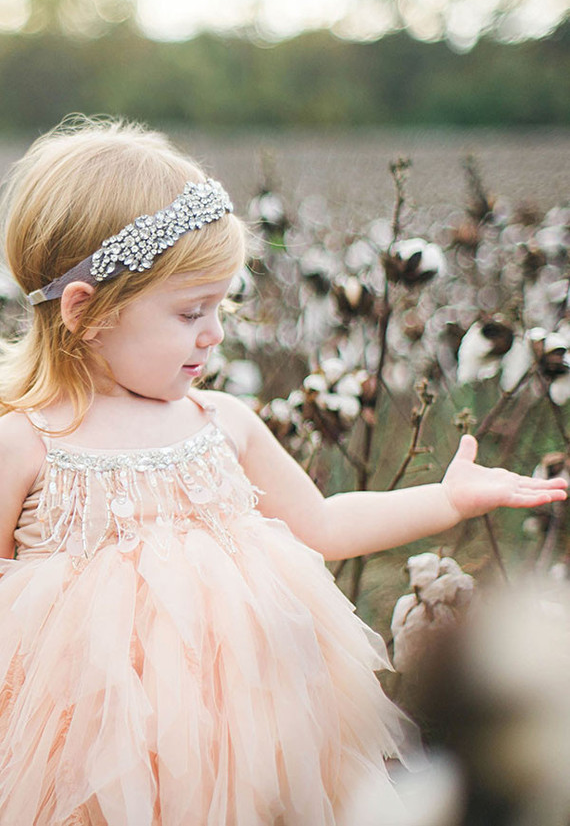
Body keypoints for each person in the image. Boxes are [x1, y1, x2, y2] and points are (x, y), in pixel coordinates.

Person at [0, 117, 565, 826]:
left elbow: (324, 523)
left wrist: (446, 498)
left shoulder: (221, 421)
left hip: (261, 743)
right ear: (86, 312)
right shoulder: (28, 445)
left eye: (222, 307)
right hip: (93, 759)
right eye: (190, 311)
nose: (214, 332)